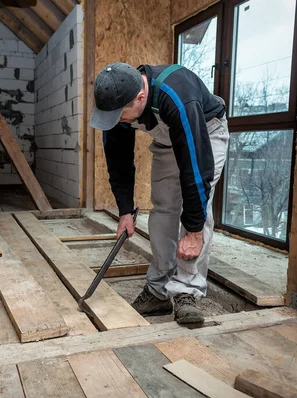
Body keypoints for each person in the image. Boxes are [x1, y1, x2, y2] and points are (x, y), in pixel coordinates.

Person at [90, 62, 229, 324]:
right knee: (164, 207)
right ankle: (158, 290)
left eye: (121, 115)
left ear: (140, 97)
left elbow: (195, 169)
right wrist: (125, 211)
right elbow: (118, 164)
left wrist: (194, 231)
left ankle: (187, 290)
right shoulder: (119, 104)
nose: (117, 120)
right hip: (167, 139)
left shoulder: (178, 97)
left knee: (198, 210)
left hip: (206, 133)